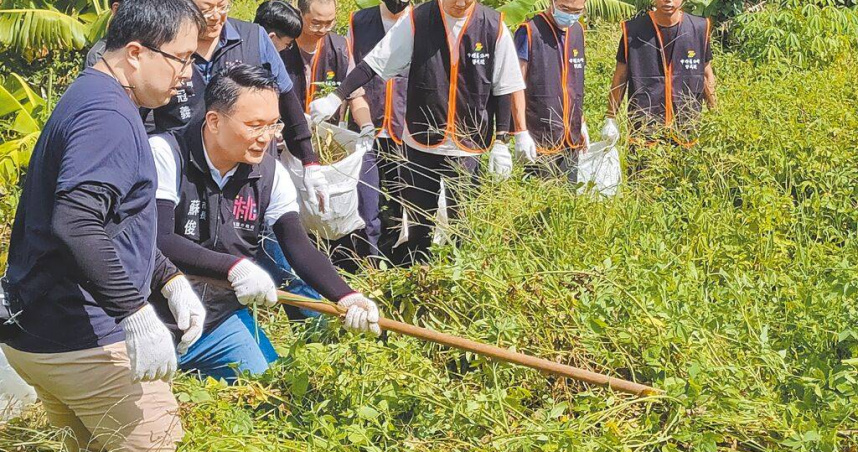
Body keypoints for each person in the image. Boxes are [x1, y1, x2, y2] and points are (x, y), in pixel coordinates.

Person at [0, 1, 207, 450]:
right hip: (82, 341)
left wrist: (167, 278)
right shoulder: (107, 117)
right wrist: (134, 312)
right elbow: (75, 221)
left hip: (42, 333)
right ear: (135, 53)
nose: (188, 73)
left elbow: (114, 221)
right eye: (182, 57)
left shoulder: (96, 94)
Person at [149, 64, 382, 383]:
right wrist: (234, 267)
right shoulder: (166, 154)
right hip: (151, 319)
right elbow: (159, 239)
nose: (266, 138)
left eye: (273, 126)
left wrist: (346, 295)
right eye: (254, 125)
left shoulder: (271, 176)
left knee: (273, 394)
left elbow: (298, 247)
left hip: (216, 323)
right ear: (214, 121)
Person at [309, 0, 527, 263]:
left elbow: (505, 85)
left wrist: (503, 140)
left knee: (465, 226)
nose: (460, 4)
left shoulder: (493, 25)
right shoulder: (418, 20)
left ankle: (457, 278)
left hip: (468, 144)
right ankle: (417, 280)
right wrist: (337, 96)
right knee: (417, 225)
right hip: (420, 141)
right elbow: (375, 63)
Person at [151, 0, 330, 216]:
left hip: (249, 178)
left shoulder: (254, 39)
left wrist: (310, 161)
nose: (216, 16)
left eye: (222, 6)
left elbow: (288, 102)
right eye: (206, 10)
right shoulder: (163, 43)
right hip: (183, 177)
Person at [345, 0, 411, 261]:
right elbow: (351, 72)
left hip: (406, 129)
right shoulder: (359, 21)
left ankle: (395, 264)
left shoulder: (423, 22)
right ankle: (367, 263)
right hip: (365, 129)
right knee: (365, 203)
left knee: (400, 205)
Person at [601, 0, 716, 149]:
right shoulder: (633, 30)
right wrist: (611, 118)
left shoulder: (699, 28)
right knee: (642, 171)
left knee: (686, 171)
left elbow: (706, 74)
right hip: (645, 127)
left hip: (686, 124)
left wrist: (715, 115)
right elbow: (620, 77)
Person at [512, 0, 589, 183]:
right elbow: (516, 85)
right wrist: (520, 132)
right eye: (565, 9)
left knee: (567, 202)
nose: (570, 15)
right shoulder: (530, 32)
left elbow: (575, 82)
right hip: (539, 136)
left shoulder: (577, 31)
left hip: (571, 136)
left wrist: (581, 121)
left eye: (576, 11)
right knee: (540, 201)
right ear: (552, 3)